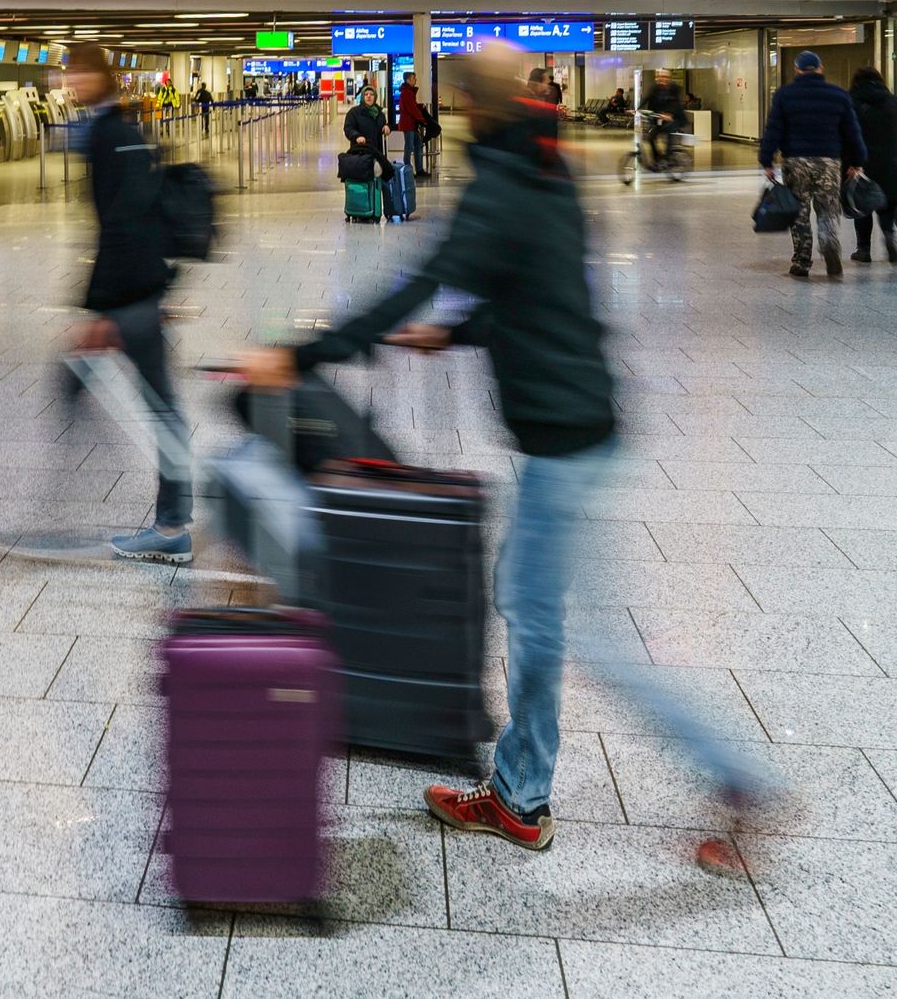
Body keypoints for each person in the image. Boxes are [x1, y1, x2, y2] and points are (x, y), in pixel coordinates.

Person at [237, 47, 766, 864]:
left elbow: (421, 278)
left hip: (565, 438)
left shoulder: (503, 183)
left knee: (578, 633)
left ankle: (728, 778)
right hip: (581, 421)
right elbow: (535, 294)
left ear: (468, 109)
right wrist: (453, 332)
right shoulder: (548, 170)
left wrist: (300, 357)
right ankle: (521, 793)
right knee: (528, 605)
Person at [59, 44, 190, 564]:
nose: (72, 83)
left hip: (132, 292)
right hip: (142, 287)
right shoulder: (128, 130)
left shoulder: (108, 134)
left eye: (79, 74)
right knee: (158, 405)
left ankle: (171, 523)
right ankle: (167, 517)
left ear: (100, 77)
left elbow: (121, 222)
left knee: (160, 408)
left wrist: (104, 311)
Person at [759, 51, 867, 280]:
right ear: (820, 68)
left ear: (797, 70)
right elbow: (852, 131)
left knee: (799, 213)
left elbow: (774, 129)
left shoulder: (785, 94)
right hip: (828, 161)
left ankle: (801, 261)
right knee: (828, 210)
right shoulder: (838, 94)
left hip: (795, 161)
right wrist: (858, 160)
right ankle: (829, 244)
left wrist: (766, 160)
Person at [848, 67, 897, 265]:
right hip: (892, 162)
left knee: (862, 206)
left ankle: (863, 250)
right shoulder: (895, 103)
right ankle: (889, 237)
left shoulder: (850, 102)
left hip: (861, 163)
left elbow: (845, 135)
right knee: (888, 203)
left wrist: (848, 163)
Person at [640, 71, 686, 170]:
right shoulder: (655, 88)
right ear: (657, 78)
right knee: (650, 137)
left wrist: (670, 114)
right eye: (660, 76)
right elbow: (646, 99)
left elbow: (676, 103)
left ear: (669, 78)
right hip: (661, 118)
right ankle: (657, 160)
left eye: (665, 77)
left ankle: (668, 159)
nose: (662, 79)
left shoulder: (675, 89)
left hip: (675, 117)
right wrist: (637, 109)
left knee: (669, 134)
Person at [397, 72, 428, 177]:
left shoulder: (409, 92)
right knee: (409, 147)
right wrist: (422, 119)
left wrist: (419, 107)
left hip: (412, 124)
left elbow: (412, 106)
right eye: (414, 78)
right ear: (408, 80)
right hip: (409, 124)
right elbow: (411, 109)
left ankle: (418, 169)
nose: (415, 80)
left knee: (417, 145)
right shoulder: (407, 93)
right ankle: (408, 170)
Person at [344, 83, 388, 155]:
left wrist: (387, 126)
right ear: (362, 97)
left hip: (376, 152)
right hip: (360, 152)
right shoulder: (354, 112)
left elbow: (383, 124)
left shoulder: (379, 113)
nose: (369, 96)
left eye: (372, 94)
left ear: (375, 97)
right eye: (366, 94)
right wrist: (357, 136)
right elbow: (348, 128)